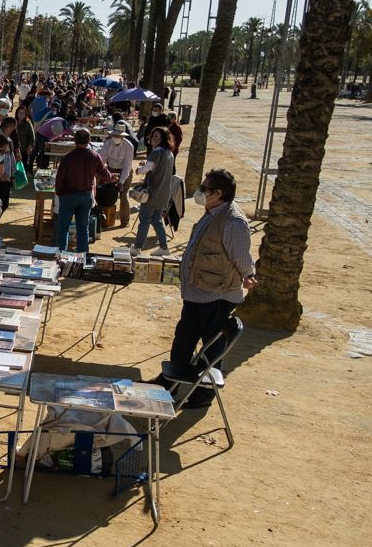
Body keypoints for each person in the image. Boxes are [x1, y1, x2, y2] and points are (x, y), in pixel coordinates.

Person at [164, 168, 257, 408]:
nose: (200, 192)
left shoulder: (234, 222)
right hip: (197, 292)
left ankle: (204, 393)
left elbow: (241, 257)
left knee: (211, 347)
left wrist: (248, 275)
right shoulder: (212, 212)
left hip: (216, 295)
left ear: (218, 193)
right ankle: (170, 382)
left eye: (205, 189)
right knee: (183, 339)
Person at [53, 127, 115, 253]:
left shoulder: (67, 158)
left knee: (63, 228)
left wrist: (60, 194)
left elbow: (59, 180)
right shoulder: (94, 156)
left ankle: (60, 255)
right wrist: (112, 177)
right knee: (83, 228)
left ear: (74, 140)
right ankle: (83, 257)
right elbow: (105, 174)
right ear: (89, 140)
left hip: (68, 196)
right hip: (85, 196)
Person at [133, 127, 177, 256]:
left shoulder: (156, 153)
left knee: (145, 219)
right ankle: (164, 247)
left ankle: (137, 247)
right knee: (157, 219)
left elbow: (146, 169)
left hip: (152, 192)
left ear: (163, 138)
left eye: (157, 136)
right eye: (153, 136)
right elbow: (154, 166)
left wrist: (139, 169)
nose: (153, 139)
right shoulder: (169, 153)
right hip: (164, 192)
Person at [100, 125, 135, 227]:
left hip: (124, 171)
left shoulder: (129, 146)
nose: (116, 137)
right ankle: (103, 218)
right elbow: (102, 160)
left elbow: (127, 166)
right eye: (115, 135)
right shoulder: (107, 144)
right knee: (105, 193)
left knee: (123, 195)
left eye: (119, 136)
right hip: (110, 169)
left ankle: (125, 221)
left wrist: (121, 181)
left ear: (123, 137)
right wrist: (107, 174)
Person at [13, 105, 35, 175]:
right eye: (20, 113)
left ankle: (23, 178)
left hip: (24, 149)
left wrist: (30, 146)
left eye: (23, 113)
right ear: (17, 113)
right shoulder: (13, 122)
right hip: (13, 148)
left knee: (24, 164)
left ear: (26, 114)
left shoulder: (28, 123)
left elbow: (32, 136)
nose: (21, 115)